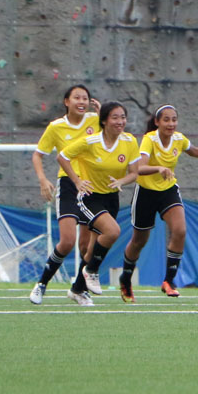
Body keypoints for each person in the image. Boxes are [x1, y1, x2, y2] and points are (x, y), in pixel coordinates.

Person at [117, 104, 198, 302]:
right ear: (157, 122)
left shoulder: (179, 139)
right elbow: (140, 168)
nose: (171, 124)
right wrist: (159, 168)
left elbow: (194, 150)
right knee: (139, 241)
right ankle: (126, 278)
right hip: (146, 193)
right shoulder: (150, 139)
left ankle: (169, 281)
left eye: (174, 119)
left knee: (180, 230)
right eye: (166, 120)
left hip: (168, 191)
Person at [58, 101, 140, 306]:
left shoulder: (129, 141)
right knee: (112, 232)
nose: (120, 121)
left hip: (111, 198)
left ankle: (77, 289)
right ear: (103, 121)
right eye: (115, 117)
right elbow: (63, 156)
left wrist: (121, 181)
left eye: (123, 117)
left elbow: (135, 173)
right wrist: (77, 181)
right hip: (90, 197)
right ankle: (91, 270)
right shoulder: (91, 141)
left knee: (92, 248)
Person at [29, 85, 101, 305]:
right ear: (66, 102)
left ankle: (78, 289)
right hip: (69, 185)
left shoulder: (95, 121)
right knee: (68, 240)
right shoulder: (56, 127)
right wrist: (43, 180)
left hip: (92, 185)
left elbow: (111, 136)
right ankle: (41, 284)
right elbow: (37, 155)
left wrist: (102, 115)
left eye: (85, 98)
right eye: (77, 97)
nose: (82, 101)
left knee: (87, 245)